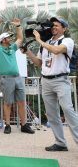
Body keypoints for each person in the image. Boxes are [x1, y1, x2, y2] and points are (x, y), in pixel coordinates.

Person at [23, 17, 78, 151]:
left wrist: (39, 40)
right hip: (46, 80)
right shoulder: (46, 43)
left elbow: (57, 50)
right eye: (52, 25)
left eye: (57, 25)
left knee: (68, 111)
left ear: (64, 28)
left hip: (61, 80)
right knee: (52, 114)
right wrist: (27, 51)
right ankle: (60, 143)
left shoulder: (67, 41)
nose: (54, 27)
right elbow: (39, 63)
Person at [0, 18, 35, 134]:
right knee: (8, 102)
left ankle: (24, 125)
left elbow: (20, 38)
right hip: (6, 79)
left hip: (18, 77)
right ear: (3, 40)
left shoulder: (12, 48)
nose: (11, 38)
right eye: (8, 37)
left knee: (22, 102)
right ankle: (7, 125)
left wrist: (18, 26)